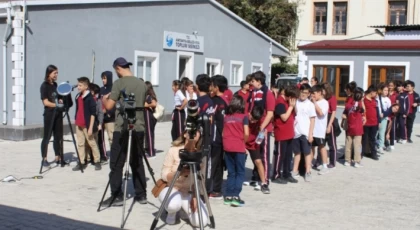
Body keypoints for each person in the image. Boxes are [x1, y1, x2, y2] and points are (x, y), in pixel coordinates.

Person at [102, 57, 148, 205]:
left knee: (116, 162)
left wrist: (104, 99)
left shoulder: (119, 83)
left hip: (122, 127)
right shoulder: (142, 84)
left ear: (118, 69)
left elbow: (109, 107)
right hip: (139, 126)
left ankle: (117, 195)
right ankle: (141, 195)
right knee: (137, 161)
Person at [159, 131, 209, 226]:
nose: (193, 134)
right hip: (172, 189)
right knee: (173, 204)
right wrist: (179, 173)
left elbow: (200, 180)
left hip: (188, 192)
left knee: (201, 222)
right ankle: (172, 212)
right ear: (185, 134)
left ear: (199, 136)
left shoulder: (201, 155)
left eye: (196, 132)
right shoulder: (173, 150)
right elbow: (164, 175)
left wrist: (195, 197)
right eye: (190, 132)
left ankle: (183, 209)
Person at [40, 65, 73, 167]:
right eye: (55, 73)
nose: (56, 75)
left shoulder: (55, 85)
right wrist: (56, 105)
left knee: (58, 137)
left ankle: (58, 157)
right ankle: (44, 159)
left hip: (58, 114)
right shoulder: (44, 86)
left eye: (57, 73)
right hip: (49, 115)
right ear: (49, 73)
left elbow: (59, 98)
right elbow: (45, 102)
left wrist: (61, 101)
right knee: (47, 137)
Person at [248, 71, 275, 187]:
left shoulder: (268, 94)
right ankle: (256, 175)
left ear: (259, 82)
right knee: (256, 153)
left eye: (253, 81)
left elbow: (270, 114)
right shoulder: (254, 92)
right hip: (254, 127)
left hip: (263, 129)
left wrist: (262, 127)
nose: (251, 83)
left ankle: (265, 180)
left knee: (264, 155)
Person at [223, 95, 249, 207]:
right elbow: (246, 133)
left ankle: (228, 195)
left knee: (231, 172)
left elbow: (223, 132)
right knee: (240, 172)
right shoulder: (244, 117)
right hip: (239, 146)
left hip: (227, 146)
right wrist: (244, 143)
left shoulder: (227, 117)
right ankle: (236, 195)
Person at [72, 77, 102, 171]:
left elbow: (93, 114)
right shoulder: (78, 96)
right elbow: (78, 109)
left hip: (87, 125)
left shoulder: (90, 99)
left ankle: (97, 161)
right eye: (78, 85)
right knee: (80, 144)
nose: (78, 87)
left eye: (80, 85)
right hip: (79, 124)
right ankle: (81, 162)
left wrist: (90, 128)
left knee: (92, 143)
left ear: (86, 86)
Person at [206, 75, 228, 199]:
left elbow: (221, 123)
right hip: (219, 140)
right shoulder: (223, 101)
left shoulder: (218, 103)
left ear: (216, 87)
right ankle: (217, 189)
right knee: (218, 163)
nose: (210, 88)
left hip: (215, 138)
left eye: (212, 85)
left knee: (212, 164)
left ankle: (209, 188)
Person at [272, 85, 298, 184]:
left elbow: (296, 113)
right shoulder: (280, 103)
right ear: (290, 96)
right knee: (280, 155)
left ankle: (287, 173)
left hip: (289, 133)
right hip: (281, 133)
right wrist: (291, 107)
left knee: (288, 155)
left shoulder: (288, 102)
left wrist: (293, 106)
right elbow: (284, 117)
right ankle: (276, 175)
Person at [291, 84, 316, 182]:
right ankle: (294, 170)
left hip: (305, 133)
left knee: (307, 153)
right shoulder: (296, 102)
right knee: (297, 153)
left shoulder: (310, 105)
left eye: (306, 93)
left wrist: (310, 134)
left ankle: (308, 171)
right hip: (296, 132)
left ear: (309, 94)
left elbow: (312, 120)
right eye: (302, 92)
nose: (303, 94)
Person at [243, 106, 269, 194]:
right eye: (252, 119)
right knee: (240, 160)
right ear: (250, 114)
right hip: (243, 141)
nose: (253, 121)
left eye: (255, 120)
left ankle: (264, 183)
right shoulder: (245, 117)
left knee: (258, 161)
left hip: (253, 143)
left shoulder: (260, 121)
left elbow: (262, 133)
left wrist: (260, 137)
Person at [310, 85, 330, 175]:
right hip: (312, 129)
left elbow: (321, 113)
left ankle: (325, 165)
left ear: (319, 93)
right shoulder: (312, 102)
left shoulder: (324, 102)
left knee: (321, 147)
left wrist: (314, 103)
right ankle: (308, 164)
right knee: (311, 147)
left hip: (320, 130)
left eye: (314, 94)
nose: (312, 96)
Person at [344, 89, 364, 167]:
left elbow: (345, 112)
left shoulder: (349, 105)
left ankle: (347, 160)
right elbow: (362, 111)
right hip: (358, 128)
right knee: (357, 145)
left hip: (350, 127)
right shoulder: (360, 105)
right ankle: (356, 161)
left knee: (348, 144)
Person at [85, 83, 105, 165]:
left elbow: (100, 113)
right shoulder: (85, 99)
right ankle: (88, 158)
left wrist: (100, 123)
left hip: (95, 123)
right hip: (85, 123)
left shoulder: (98, 101)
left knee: (95, 141)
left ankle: (96, 159)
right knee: (86, 142)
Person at [321, 82, 339, 168]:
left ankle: (332, 162)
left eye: (322, 90)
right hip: (322, 119)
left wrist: (329, 125)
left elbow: (333, 112)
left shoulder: (332, 98)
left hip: (329, 120)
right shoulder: (321, 98)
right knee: (321, 143)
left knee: (332, 143)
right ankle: (319, 160)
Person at [362, 85, 379, 161]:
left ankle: (373, 153)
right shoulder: (363, 100)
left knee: (373, 139)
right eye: (375, 93)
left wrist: (378, 121)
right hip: (366, 123)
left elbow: (377, 111)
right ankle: (361, 153)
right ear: (372, 92)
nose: (376, 94)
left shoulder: (375, 100)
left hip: (374, 123)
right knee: (364, 139)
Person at [376, 83, 391, 154]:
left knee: (382, 133)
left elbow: (389, 110)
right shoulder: (377, 98)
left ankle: (381, 146)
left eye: (387, 90)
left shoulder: (388, 99)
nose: (386, 92)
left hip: (384, 118)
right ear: (381, 90)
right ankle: (374, 145)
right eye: (385, 90)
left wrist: (384, 114)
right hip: (376, 118)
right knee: (375, 132)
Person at [144, 81, 158, 158]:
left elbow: (154, 103)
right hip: (146, 116)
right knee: (147, 133)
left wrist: (146, 105)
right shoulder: (146, 96)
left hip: (149, 116)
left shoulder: (150, 96)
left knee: (149, 134)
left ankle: (151, 152)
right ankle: (149, 149)